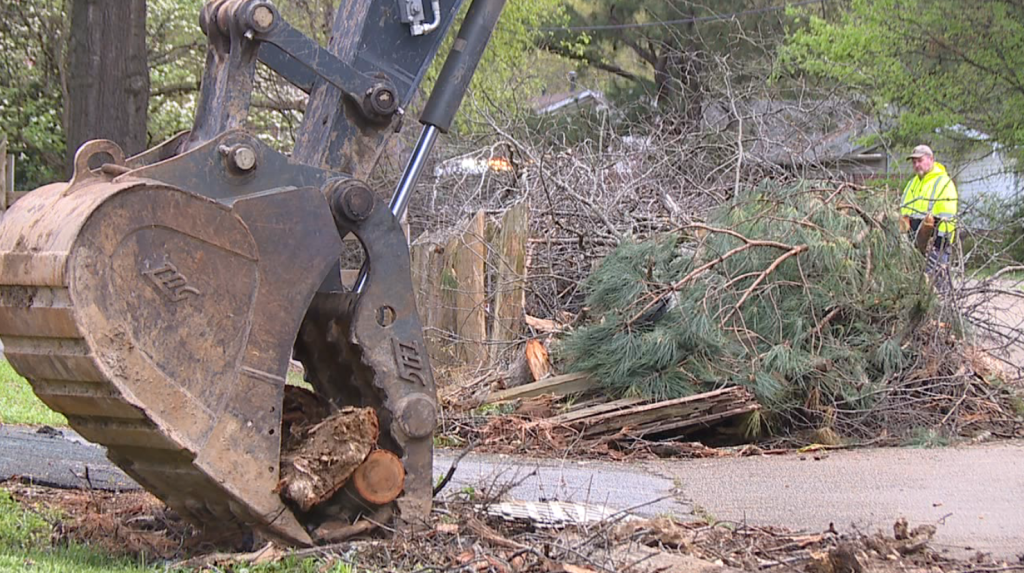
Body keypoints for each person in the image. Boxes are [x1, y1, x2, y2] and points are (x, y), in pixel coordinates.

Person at [900, 144, 957, 273]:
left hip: (935, 245)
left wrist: (941, 243)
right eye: (914, 162)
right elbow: (904, 213)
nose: (917, 165)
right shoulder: (912, 184)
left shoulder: (943, 182)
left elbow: (948, 216)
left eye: (920, 161)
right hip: (913, 245)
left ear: (931, 159)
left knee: (936, 280)